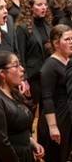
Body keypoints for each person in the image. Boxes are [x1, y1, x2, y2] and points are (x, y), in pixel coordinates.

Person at [0, 50, 44, 162]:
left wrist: (32, 143)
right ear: (2, 73)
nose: (22, 69)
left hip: (23, 153)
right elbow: (1, 143)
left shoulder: (13, 92)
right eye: (16, 65)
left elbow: (18, 127)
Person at [15, 0, 52, 117]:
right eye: (39, 4)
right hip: (32, 76)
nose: (43, 7)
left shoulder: (49, 25)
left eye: (45, 5)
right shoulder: (23, 27)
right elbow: (20, 54)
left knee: (46, 110)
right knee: (30, 111)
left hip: (47, 75)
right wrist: (23, 79)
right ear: (31, 7)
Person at [38, 24, 72, 162]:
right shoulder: (49, 66)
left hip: (68, 114)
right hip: (57, 116)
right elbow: (47, 98)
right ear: (56, 43)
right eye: (68, 39)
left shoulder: (69, 60)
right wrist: (53, 127)